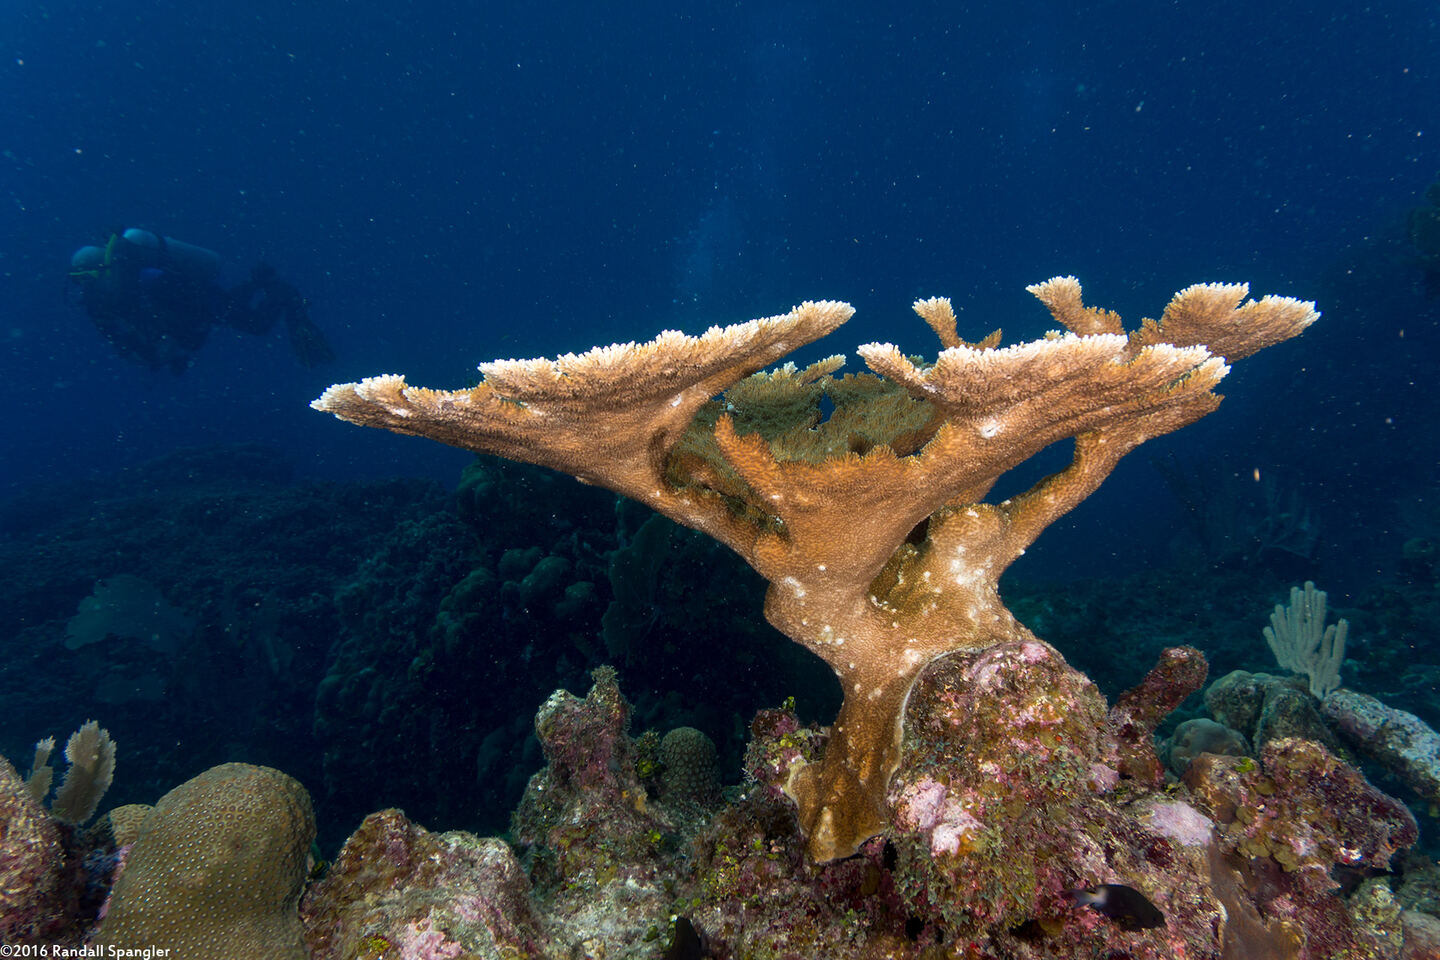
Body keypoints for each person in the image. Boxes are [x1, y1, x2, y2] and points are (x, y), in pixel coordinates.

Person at [69, 228, 334, 373]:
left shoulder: (145, 278)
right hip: (194, 308)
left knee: (257, 324)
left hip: (198, 303)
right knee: (227, 312)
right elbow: (124, 338)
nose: (86, 286)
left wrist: (180, 332)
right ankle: (258, 281)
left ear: (103, 269)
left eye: (88, 278)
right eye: (80, 280)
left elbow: (192, 298)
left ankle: (281, 292)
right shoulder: (106, 298)